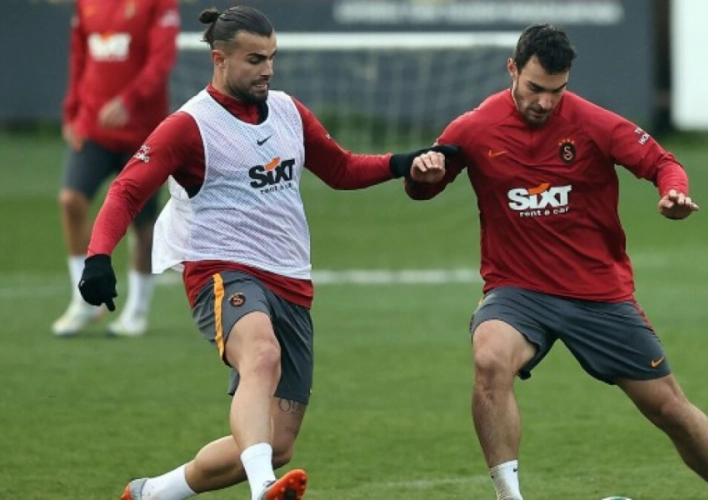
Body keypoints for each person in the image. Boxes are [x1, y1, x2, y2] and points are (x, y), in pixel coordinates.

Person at [77, 6, 456, 500]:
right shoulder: (189, 126)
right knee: (262, 354)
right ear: (219, 59)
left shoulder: (288, 111)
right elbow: (127, 190)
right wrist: (98, 257)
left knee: (275, 443)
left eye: (272, 57)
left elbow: (341, 169)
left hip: (290, 280)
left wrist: (404, 162)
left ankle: (153, 493)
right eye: (255, 59)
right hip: (221, 269)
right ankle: (263, 490)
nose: (268, 69)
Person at [403, 23, 708, 500]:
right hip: (518, 291)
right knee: (489, 358)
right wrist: (422, 176)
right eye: (535, 88)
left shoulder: (594, 123)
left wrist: (674, 192)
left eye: (557, 91)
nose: (545, 102)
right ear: (512, 69)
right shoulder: (474, 128)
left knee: (669, 408)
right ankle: (509, 496)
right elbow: (425, 186)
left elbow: (662, 162)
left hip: (598, 293)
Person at [53, 0, 180, 337]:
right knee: (70, 200)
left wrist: (129, 100)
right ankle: (84, 300)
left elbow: (162, 59)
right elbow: (79, 56)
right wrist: (71, 111)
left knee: (143, 226)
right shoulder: (86, 4)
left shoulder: (159, 4)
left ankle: (136, 312)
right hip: (92, 126)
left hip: (143, 132)